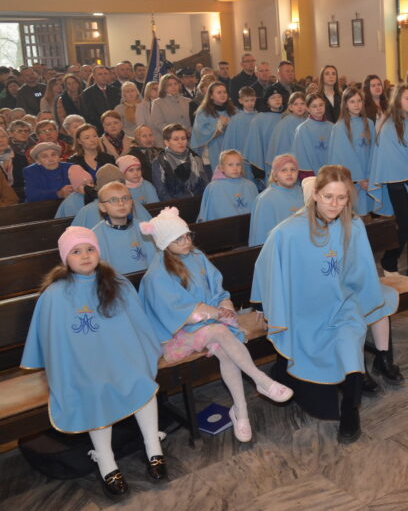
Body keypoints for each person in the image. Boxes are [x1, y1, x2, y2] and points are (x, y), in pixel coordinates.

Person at [251, 166, 400, 443]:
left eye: (341, 198)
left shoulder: (353, 226)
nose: (334, 204)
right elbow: (266, 265)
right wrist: (263, 305)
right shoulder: (289, 231)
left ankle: (350, 412)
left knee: (350, 344)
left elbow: (363, 269)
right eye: (328, 196)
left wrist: (364, 300)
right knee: (308, 350)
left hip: (343, 305)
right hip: (305, 310)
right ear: (316, 194)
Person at [20, 226, 165, 499]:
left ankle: (153, 448)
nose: (85, 256)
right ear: (65, 258)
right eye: (76, 251)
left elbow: (134, 326)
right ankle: (106, 460)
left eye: (90, 249)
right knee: (94, 389)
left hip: (119, 357)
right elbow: (55, 342)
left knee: (139, 379)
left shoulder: (116, 283)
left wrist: (134, 356)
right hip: (81, 365)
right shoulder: (55, 295)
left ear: (98, 252)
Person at [139, 207, 293, 444]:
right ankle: (261, 381)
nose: (187, 241)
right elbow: (175, 310)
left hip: (209, 321)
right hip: (177, 331)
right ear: (164, 243)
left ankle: (241, 412)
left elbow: (217, 287)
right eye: (179, 239)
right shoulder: (157, 274)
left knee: (225, 349)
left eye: (188, 235)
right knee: (220, 332)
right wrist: (216, 314)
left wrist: (225, 304)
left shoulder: (197, 257)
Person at [368, 84, 408, 281]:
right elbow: (391, 157)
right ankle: (390, 261)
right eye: (407, 98)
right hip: (398, 183)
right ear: (397, 101)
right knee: (407, 226)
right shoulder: (388, 127)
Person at [327, 87, 375, 216]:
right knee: (352, 215)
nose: (356, 104)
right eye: (352, 101)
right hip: (352, 180)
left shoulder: (369, 123)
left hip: (368, 177)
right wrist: (359, 179)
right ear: (345, 104)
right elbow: (343, 155)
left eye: (359, 101)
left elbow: (374, 151)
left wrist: (370, 175)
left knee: (368, 216)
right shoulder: (339, 127)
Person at [92, 180, 157, 274]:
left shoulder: (144, 228)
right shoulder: (95, 236)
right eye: (113, 200)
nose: (121, 203)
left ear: (132, 203)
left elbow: (156, 261)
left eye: (125, 198)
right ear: (102, 207)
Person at [248, 154, 304, 246]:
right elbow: (260, 237)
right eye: (283, 170)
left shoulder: (302, 192)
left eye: (293, 169)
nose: (289, 173)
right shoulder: (265, 199)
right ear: (275, 175)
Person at [198, 149, 259, 221]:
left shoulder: (251, 186)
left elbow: (257, 212)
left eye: (238, 164)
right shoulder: (213, 187)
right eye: (230, 165)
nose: (235, 168)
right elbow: (209, 214)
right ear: (221, 168)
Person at [152, 124, 209, 200]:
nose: (180, 142)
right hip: (175, 204)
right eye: (176, 139)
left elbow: (205, 185)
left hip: (199, 201)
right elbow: (162, 192)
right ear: (166, 142)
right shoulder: (159, 162)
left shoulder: (196, 158)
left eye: (183, 138)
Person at [242, 88, 286, 183]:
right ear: (267, 101)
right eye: (273, 98)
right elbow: (254, 144)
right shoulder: (259, 119)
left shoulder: (286, 117)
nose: (277, 100)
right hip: (267, 159)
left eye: (279, 97)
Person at [191, 82, 236, 170]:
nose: (223, 95)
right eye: (219, 92)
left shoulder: (234, 111)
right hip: (211, 152)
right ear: (211, 96)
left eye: (224, 92)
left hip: (232, 150)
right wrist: (220, 125)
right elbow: (200, 135)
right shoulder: (203, 113)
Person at [221, 86, 259, 182]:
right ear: (240, 101)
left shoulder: (260, 117)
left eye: (252, 100)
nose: (250, 103)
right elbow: (229, 142)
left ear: (255, 99)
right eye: (246, 101)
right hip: (241, 158)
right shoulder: (236, 119)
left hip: (256, 157)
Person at [294, 94, 333, 176]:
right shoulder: (302, 129)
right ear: (308, 108)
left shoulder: (332, 127)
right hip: (310, 175)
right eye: (314, 106)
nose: (318, 109)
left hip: (331, 172)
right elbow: (301, 156)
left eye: (321, 105)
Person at [265, 92, 307, 165]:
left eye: (302, 104)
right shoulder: (285, 123)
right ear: (290, 107)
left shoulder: (307, 121)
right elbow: (282, 147)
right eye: (296, 104)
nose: (299, 107)